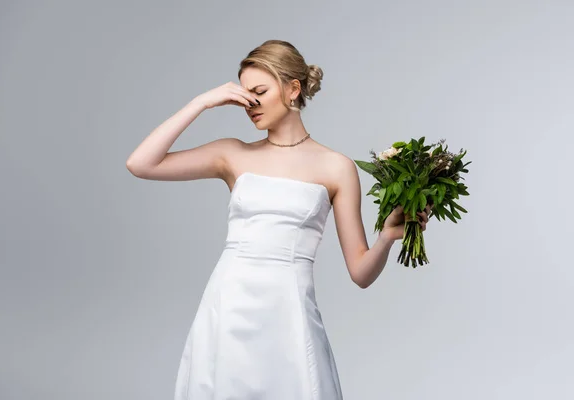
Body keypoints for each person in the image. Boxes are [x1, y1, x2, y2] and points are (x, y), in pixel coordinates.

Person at [126, 39, 431, 400]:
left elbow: (361, 274)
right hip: (228, 307)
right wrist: (201, 103)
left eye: (259, 92)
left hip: (289, 314)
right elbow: (141, 163)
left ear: (293, 89)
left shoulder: (337, 167)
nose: (249, 104)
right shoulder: (232, 154)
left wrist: (385, 238)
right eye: (243, 95)